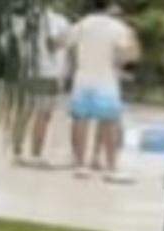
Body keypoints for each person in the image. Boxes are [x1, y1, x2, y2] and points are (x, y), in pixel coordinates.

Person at [66, 0, 139, 182]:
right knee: (110, 123)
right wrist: (132, 36)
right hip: (106, 82)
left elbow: (62, 42)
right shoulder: (117, 27)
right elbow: (131, 56)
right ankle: (111, 168)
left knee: (80, 120)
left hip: (82, 80)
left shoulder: (83, 24)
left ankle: (80, 165)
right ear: (110, 7)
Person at [11, 4, 72, 167]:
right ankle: (35, 154)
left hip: (27, 71)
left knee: (23, 113)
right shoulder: (58, 21)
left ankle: (16, 151)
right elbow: (54, 46)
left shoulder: (20, 20)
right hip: (48, 73)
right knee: (43, 115)